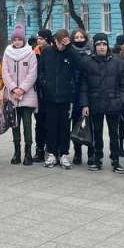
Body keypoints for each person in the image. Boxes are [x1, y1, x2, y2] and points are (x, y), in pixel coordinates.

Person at [78, 33, 124, 173]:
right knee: (97, 133)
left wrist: (122, 102)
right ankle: (97, 158)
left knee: (114, 133)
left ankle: (116, 160)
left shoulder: (118, 63)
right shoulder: (87, 63)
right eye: (98, 44)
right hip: (95, 102)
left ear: (108, 46)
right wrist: (85, 104)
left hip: (114, 103)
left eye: (104, 44)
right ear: (94, 46)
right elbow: (83, 86)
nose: (101, 47)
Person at [37, 28, 77, 169]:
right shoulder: (47, 52)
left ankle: (64, 153)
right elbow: (40, 71)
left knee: (65, 127)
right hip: (50, 96)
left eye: (64, 44)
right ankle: (52, 153)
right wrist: (44, 83)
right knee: (51, 126)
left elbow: (79, 67)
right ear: (55, 41)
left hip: (66, 97)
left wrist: (70, 47)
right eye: (59, 43)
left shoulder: (70, 52)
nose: (61, 46)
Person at [2, 25, 38, 166]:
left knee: (27, 126)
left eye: (19, 39)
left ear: (23, 40)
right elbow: (5, 72)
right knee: (14, 125)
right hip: (12, 96)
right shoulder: (7, 53)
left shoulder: (30, 53)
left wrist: (22, 89)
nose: (17, 42)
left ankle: (28, 153)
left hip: (27, 95)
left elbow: (32, 73)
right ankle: (16, 152)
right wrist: (13, 88)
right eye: (15, 39)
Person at [31, 29, 53, 162]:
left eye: (42, 38)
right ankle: (39, 149)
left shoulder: (53, 52)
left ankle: (50, 149)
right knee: (39, 123)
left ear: (48, 40)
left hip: (50, 94)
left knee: (50, 123)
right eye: (38, 38)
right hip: (38, 94)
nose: (39, 41)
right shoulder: (34, 53)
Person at [69, 29, 91, 164]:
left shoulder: (91, 53)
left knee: (90, 124)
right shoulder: (70, 53)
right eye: (76, 37)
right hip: (73, 93)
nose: (79, 39)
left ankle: (91, 153)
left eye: (81, 37)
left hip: (89, 92)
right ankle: (77, 152)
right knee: (75, 123)